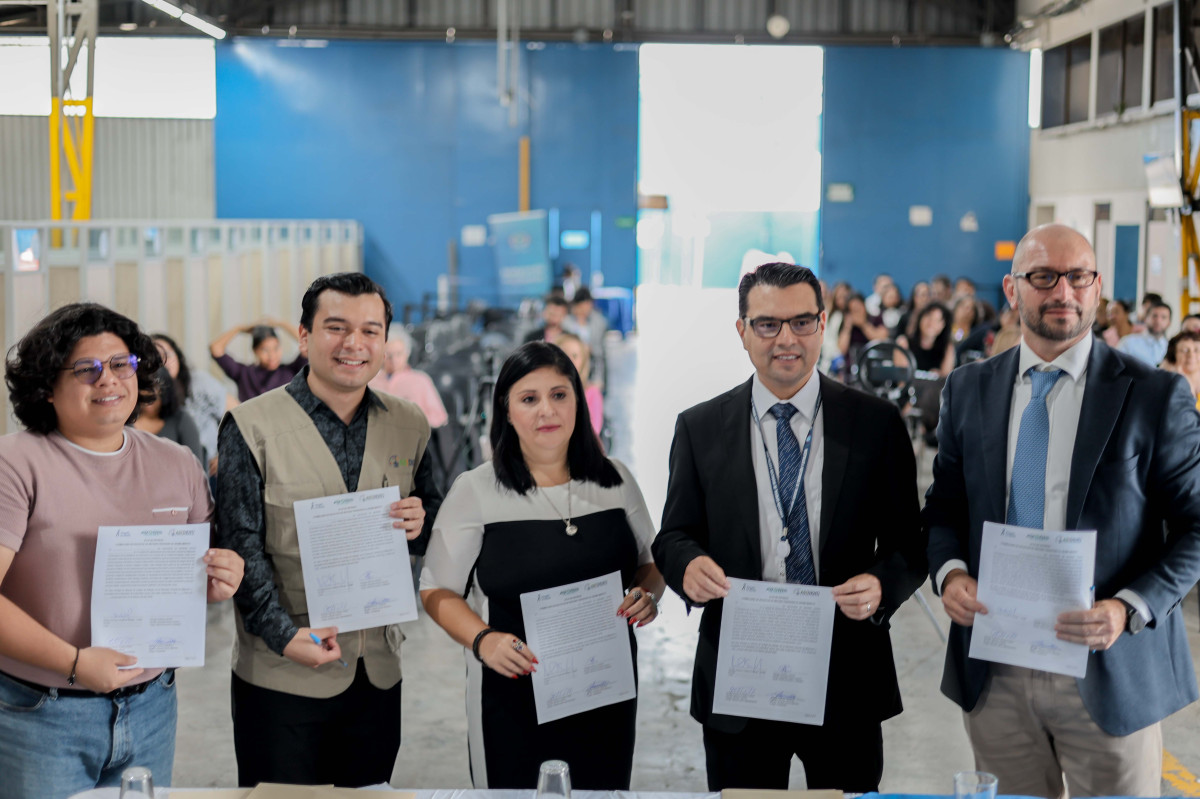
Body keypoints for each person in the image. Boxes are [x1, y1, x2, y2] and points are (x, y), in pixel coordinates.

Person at [924, 223, 1200, 797]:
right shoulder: (968, 389)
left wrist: (1128, 608)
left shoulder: (1154, 395)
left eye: (1078, 276)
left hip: (1110, 668)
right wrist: (949, 574)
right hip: (996, 669)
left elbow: (1195, 527)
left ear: (1097, 286)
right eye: (1044, 277)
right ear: (1012, 288)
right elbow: (943, 507)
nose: (1063, 292)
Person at [652, 262, 926, 792]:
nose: (786, 339)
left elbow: (908, 545)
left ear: (822, 324)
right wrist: (687, 566)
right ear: (742, 330)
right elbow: (674, 535)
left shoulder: (874, 424)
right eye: (767, 324)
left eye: (801, 322)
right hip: (742, 672)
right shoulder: (701, 428)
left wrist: (881, 585)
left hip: (844, 670)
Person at [0, 303, 244, 799]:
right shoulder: (16, 464)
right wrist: (74, 662)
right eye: (86, 369)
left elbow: (194, 578)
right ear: (47, 387)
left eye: (120, 364)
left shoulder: (177, 463)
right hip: (41, 714)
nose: (108, 379)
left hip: (153, 706)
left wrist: (220, 579)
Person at [216, 273, 444, 788]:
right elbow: (240, 546)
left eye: (370, 330)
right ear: (304, 335)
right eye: (336, 328)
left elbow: (431, 517)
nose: (353, 344)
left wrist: (420, 522)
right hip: (282, 676)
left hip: (377, 674)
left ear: (385, 340)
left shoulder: (410, 423)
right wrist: (284, 637)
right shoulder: (251, 427)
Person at [419, 341, 663, 789]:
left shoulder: (616, 480)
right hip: (511, 693)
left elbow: (651, 562)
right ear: (507, 411)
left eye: (559, 395)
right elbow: (437, 590)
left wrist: (647, 594)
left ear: (578, 401)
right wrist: (483, 640)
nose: (546, 410)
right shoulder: (476, 490)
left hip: (603, 690)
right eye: (529, 399)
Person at [153, 333, 236, 477]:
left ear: (178, 356)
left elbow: (239, 416)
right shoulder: (146, 395)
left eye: (168, 355)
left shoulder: (199, 383)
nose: (164, 362)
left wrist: (228, 453)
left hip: (211, 470)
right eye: (157, 358)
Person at [368, 327, 449, 428]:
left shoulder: (421, 380)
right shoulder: (370, 380)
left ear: (407, 354)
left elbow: (440, 418)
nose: (394, 360)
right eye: (388, 355)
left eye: (398, 354)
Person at [210, 318, 307, 402]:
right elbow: (216, 348)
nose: (272, 355)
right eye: (265, 350)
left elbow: (308, 345)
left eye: (276, 348)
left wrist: (282, 324)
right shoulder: (243, 373)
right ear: (255, 350)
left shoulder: (291, 370)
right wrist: (239, 329)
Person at [130, 366, 205, 464]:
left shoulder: (181, 419)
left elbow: (196, 465)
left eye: (155, 390)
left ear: (166, 391)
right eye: (145, 389)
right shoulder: (125, 422)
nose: (150, 395)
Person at [553, 332, 603, 436]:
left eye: (574, 356)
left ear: (583, 361)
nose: (569, 360)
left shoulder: (592, 393)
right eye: (564, 354)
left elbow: (592, 433)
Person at [563, 287, 609, 389]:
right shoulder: (566, 323)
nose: (586, 309)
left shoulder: (598, 323)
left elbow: (600, 356)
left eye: (589, 305)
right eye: (582, 306)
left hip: (592, 370)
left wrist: (599, 379)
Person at [897, 303, 955, 376]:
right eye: (928, 317)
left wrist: (938, 375)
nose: (931, 323)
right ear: (920, 318)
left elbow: (946, 377)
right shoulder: (903, 343)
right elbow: (902, 377)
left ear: (943, 325)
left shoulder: (947, 348)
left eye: (937, 320)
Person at [1118, 299, 1171, 366]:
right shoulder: (1128, 343)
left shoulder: (1171, 348)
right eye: (1154, 316)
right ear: (1146, 319)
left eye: (1163, 317)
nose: (1158, 321)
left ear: (1169, 323)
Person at [1165, 330, 1200, 409]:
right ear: (1174, 356)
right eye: (1185, 350)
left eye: (1197, 350)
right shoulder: (1168, 386)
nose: (1191, 355)